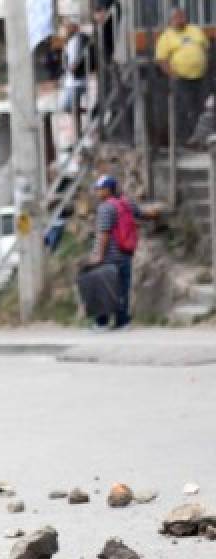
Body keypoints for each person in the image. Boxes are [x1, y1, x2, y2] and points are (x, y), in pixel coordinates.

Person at [90, 175, 156, 329]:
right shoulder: (127, 202)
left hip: (108, 256)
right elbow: (141, 214)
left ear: (108, 190)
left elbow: (104, 233)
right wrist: (154, 213)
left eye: (100, 189)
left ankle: (102, 322)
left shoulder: (105, 207)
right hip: (125, 253)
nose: (98, 192)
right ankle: (123, 321)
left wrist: (98, 255)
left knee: (103, 289)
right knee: (122, 288)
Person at [155, 7, 210, 145]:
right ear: (171, 20)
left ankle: (199, 139)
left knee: (201, 109)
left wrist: (203, 63)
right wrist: (173, 75)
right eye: (177, 17)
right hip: (181, 79)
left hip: (200, 77)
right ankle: (182, 140)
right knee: (183, 110)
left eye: (182, 17)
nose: (180, 20)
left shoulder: (195, 30)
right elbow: (162, 60)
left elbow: (206, 48)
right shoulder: (166, 36)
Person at [61, 19, 91, 147]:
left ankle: (77, 137)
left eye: (66, 26)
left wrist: (68, 68)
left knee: (69, 107)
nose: (64, 29)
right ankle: (78, 135)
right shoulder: (77, 40)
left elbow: (74, 63)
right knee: (72, 108)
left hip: (74, 82)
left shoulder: (75, 41)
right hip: (77, 81)